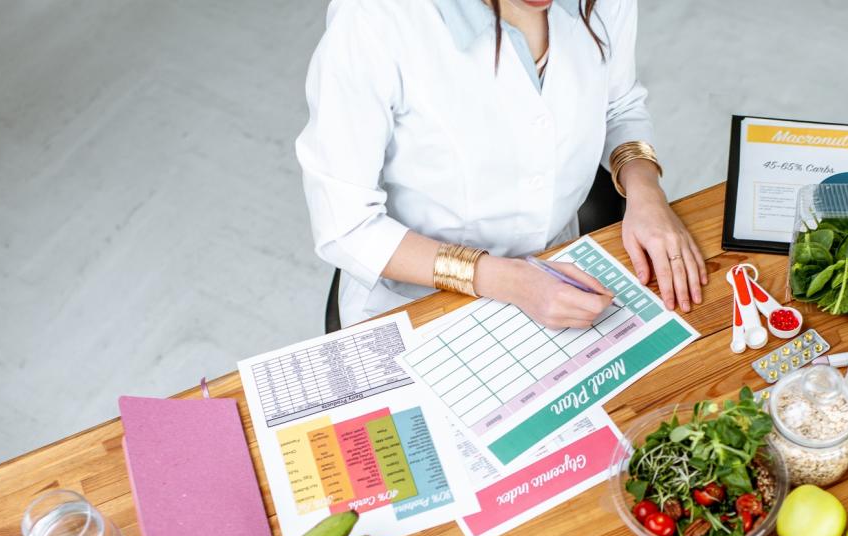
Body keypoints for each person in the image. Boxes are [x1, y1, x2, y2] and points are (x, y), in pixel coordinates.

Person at [296, 0, 706, 329]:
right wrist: (511, 281)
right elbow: (345, 225)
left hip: (557, 269)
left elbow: (619, 105)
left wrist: (645, 192)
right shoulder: (374, 19)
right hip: (418, 301)